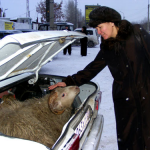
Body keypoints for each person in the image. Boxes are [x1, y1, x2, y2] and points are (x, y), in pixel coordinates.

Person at [49, 6, 150, 150]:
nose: (98, 32)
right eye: (96, 28)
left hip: (147, 97)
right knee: (129, 142)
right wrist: (68, 81)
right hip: (125, 104)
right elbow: (92, 68)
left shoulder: (137, 33)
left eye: (100, 27)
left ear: (112, 22)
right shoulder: (107, 48)